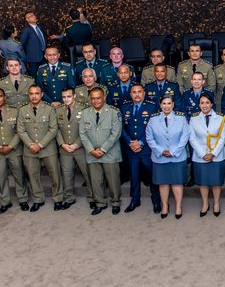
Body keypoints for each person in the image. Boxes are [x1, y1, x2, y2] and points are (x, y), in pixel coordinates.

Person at [17, 85, 63, 212]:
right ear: (28, 95)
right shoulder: (22, 110)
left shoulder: (49, 109)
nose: (34, 96)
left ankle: (58, 198)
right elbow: (20, 130)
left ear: (41, 94)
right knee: (33, 175)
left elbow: (53, 129)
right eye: (31, 94)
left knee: (55, 174)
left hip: (48, 148)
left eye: (37, 93)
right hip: (29, 149)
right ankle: (38, 199)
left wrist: (40, 144)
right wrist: (31, 144)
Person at [145, 95, 191, 219]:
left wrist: (173, 152)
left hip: (177, 156)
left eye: (169, 103)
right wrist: (161, 151)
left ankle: (178, 206)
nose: (166, 106)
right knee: (163, 183)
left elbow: (185, 137)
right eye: (164, 103)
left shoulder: (181, 119)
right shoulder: (153, 120)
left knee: (177, 183)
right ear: (160, 105)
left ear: (173, 104)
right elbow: (149, 138)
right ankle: (165, 205)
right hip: (159, 157)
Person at [80, 87, 123, 215]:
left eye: (98, 98)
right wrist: (91, 150)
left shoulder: (114, 112)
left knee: (113, 180)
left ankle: (115, 202)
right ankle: (100, 203)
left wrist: (103, 149)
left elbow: (116, 134)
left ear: (103, 97)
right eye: (93, 98)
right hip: (92, 153)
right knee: (96, 180)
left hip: (110, 153)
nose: (96, 101)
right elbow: (82, 134)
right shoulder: (84, 113)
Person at [121, 84, 160, 214]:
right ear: (130, 94)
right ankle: (135, 200)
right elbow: (122, 128)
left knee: (152, 176)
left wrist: (141, 142)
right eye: (134, 92)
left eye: (139, 92)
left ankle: (156, 200)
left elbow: (154, 127)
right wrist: (130, 142)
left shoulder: (152, 106)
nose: (137, 94)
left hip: (147, 148)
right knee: (134, 176)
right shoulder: (125, 107)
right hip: (131, 149)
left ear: (144, 93)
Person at [189, 94, 225, 217]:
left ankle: (216, 203)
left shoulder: (220, 118)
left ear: (212, 104)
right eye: (202, 103)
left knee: (216, 182)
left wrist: (213, 153)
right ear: (199, 104)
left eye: (207, 102)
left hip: (217, 155)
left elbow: (223, 137)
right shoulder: (193, 118)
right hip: (200, 156)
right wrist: (202, 153)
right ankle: (205, 203)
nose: (204, 105)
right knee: (203, 182)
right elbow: (192, 138)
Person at [56, 87, 89, 209]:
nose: (66, 99)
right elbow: (56, 129)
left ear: (74, 96)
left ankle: (92, 197)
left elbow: (86, 129)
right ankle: (69, 198)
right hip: (65, 148)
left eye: (68, 96)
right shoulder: (58, 110)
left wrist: (76, 144)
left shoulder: (84, 108)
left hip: (80, 148)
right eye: (64, 97)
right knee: (67, 174)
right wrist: (62, 144)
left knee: (87, 173)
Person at [19, 11, 46, 77]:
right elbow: (22, 44)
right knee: (34, 74)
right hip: (33, 57)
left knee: (44, 73)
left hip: (43, 54)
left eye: (34, 15)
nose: (34, 16)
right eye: (31, 16)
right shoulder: (26, 30)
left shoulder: (39, 27)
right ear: (27, 19)